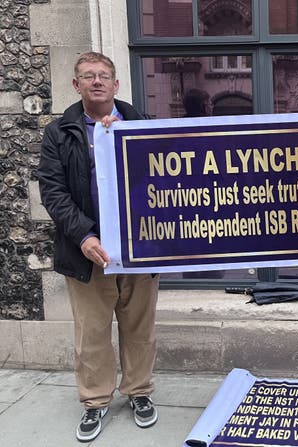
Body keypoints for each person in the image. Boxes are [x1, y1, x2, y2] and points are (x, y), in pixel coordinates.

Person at [37, 52, 160, 442]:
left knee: (139, 328)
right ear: (76, 85)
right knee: (91, 333)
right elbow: (53, 193)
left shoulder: (140, 125)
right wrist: (85, 236)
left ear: (116, 84)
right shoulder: (60, 133)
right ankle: (95, 401)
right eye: (88, 76)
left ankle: (139, 392)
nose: (97, 82)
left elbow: (164, 181)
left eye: (104, 76)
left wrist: (119, 138)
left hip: (139, 248)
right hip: (87, 251)